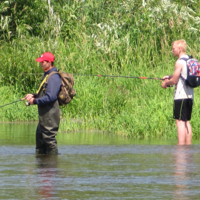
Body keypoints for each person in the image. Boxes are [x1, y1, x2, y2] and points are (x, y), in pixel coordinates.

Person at [25, 52, 62, 154]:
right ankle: (42, 166)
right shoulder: (47, 75)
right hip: (44, 115)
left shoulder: (53, 77)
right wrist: (33, 95)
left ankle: (52, 165)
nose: (40, 64)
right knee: (40, 140)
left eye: (43, 62)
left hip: (50, 115)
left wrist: (35, 101)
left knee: (49, 141)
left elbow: (51, 97)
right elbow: (45, 94)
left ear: (49, 62)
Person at [161, 39, 194, 145]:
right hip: (190, 96)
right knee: (186, 121)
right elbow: (180, 75)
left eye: (173, 48)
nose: (172, 50)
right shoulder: (190, 60)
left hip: (181, 96)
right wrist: (168, 77)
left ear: (179, 49)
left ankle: (180, 148)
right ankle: (188, 146)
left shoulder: (179, 62)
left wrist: (166, 83)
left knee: (179, 122)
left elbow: (174, 81)